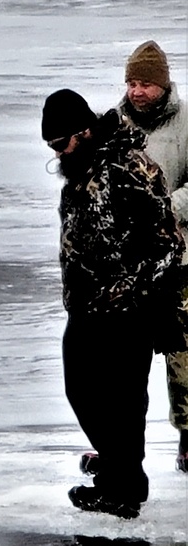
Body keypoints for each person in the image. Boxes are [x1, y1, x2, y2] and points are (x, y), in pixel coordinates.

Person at [41, 88, 182, 519]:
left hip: (127, 309)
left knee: (122, 401)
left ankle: (123, 489)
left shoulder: (127, 167)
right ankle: (117, 466)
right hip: (86, 305)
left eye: (60, 143)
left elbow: (167, 242)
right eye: (50, 147)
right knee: (81, 390)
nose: (57, 153)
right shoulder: (83, 167)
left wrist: (138, 292)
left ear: (83, 132)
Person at [117, 41, 188, 472]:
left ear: (162, 86)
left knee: (184, 357)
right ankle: (122, 448)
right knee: (125, 361)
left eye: (144, 83)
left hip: (180, 260)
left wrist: (166, 209)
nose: (136, 91)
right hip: (131, 265)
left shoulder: (187, 123)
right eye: (131, 82)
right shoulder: (114, 124)